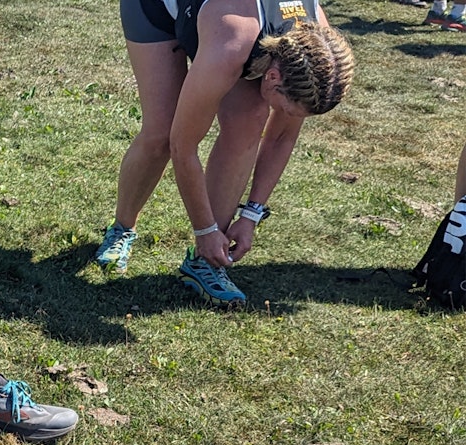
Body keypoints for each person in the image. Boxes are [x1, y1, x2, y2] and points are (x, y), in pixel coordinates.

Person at [94, 0, 354, 306]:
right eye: (284, 108)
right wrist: (204, 229)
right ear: (272, 76)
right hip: (159, 9)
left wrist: (251, 215)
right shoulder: (233, 42)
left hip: (236, 28)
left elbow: (282, 135)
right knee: (162, 133)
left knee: (249, 120)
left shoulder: (315, 48)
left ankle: (204, 263)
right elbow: (184, 146)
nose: (284, 115)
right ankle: (122, 228)